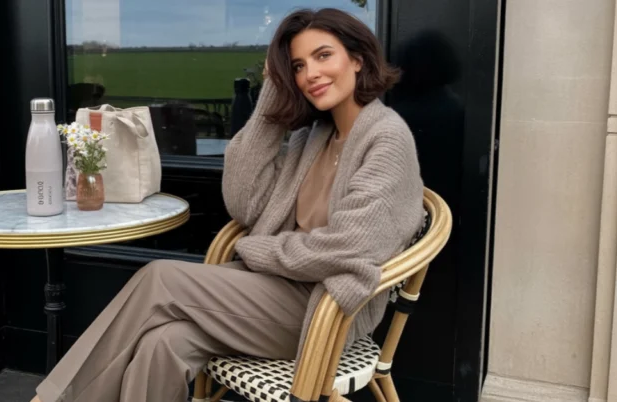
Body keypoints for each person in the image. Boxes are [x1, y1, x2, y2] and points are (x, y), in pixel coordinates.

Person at [32, 7, 424, 402]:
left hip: (327, 310)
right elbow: (244, 202)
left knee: (160, 278)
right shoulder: (312, 138)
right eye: (298, 66)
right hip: (274, 291)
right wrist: (273, 95)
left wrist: (260, 250)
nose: (311, 74)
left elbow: (350, 247)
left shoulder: (386, 139)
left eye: (324, 56)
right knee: (163, 343)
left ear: (357, 59)